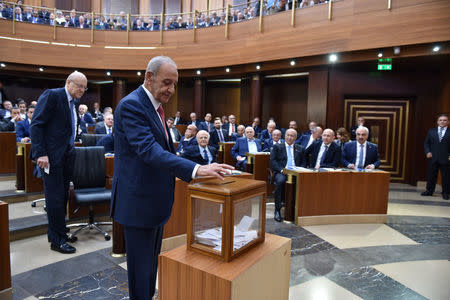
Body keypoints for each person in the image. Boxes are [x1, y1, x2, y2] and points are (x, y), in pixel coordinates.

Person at [111, 56, 232, 300]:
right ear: (148, 77)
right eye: (166, 83)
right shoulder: (132, 105)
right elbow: (149, 150)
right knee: (140, 271)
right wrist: (196, 170)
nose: (171, 90)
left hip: (153, 202)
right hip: (138, 203)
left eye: (174, 84)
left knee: (149, 267)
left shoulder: (155, 107)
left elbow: (165, 151)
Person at [30, 71, 87, 254]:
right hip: (51, 158)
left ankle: (59, 233)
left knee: (62, 197)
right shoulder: (53, 95)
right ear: (69, 82)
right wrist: (41, 153)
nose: (82, 90)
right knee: (54, 198)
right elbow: (37, 124)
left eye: (85, 87)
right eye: (79, 86)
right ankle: (57, 241)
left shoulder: (74, 102)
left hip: (66, 156)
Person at [270, 129, 306, 222]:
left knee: (303, 184)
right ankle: (277, 210)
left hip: (296, 173)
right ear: (285, 136)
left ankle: (296, 209)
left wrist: (300, 171)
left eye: (292, 136)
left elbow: (303, 163)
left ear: (295, 137)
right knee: (280, 181)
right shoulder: (277, 147)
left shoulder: (300, 148)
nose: (290, 137)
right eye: (288, 135)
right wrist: (281, 170)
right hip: (282, 171)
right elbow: (273, 162)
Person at [422, 114, 449, 200]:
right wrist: (428, 151)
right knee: (431, 175)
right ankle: (429, 191)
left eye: (444, 120)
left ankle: (445, 193)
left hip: (446, 158)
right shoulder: (431, 131)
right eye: (440, 120)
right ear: (437, 122)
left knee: (446, 176)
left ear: (448, 122)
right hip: (433, 157)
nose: (442, 121)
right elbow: (426, 143)